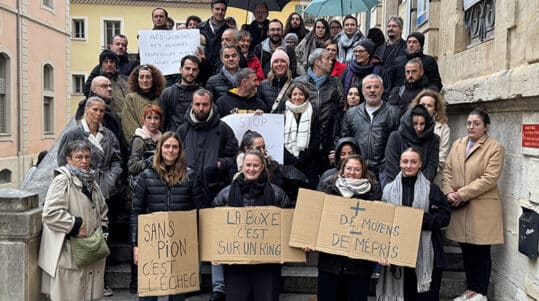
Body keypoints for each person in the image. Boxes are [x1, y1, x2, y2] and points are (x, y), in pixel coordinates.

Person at [131, 132, 204, 301]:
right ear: (160, 148)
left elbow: (199, 210)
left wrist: (198, 242)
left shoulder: (190, 175)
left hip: (181, 243)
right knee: (149, 296)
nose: (171, 150)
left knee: (178, 295)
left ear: (180, 150)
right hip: (152, 241)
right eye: (167, 146)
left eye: (175, 147)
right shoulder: (147, 175)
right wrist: (136, 244)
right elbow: (136, 212)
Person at [442, 108, 505, 301]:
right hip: (460, 207)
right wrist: (449, 192)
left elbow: (489, 178)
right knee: (467, 251)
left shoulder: (494, 148)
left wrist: (462, 193)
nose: (471, 127)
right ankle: (470, 291)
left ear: (486, 126)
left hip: (481, 208)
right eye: (469, 123)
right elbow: (447, 172)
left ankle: (481, 292)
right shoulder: (458, 144)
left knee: (481, 252)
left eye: (476, 123)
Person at [212, 149, 290, 301]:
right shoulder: (225, 194)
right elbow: (213, 225)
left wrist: (285, 252)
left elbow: (288, 226)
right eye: (248, 165)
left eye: (256, 165)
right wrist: (214, 252)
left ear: (262, 167)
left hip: (267, 265)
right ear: (242, 167)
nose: (251, 169)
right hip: (236, 265)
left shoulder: (277, 194)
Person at [39, 140, 109, 301]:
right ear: (69, 159)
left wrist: (103, 229)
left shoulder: (91, 181)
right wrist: (76, 225)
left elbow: (103, 210)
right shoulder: (62, 180)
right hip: (68, 251)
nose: (84, 161)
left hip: (90, 248)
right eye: (79, 157)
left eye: (87, 157)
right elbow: (50, 213)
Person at [377, 147, 450, 300]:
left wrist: (419, 219)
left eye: (413, 162)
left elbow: (445, 217)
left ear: (420, 164)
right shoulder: (388, 190)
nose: (408, 165)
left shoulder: (432, 189)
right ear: (400, 163)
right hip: (398, 255)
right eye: (405, 161)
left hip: (426, 254)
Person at [316, 154, 381, 301]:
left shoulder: (373, 194)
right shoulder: (329, 189)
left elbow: (377, 228)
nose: (352, 172)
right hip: (330, 265)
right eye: (349, 168)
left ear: (363, 172)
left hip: (359, 267)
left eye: (357, 169)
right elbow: (316, 219)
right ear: (342, 170)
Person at [177, 88, 239, 202]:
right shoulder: (183, 130)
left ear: (211, 105)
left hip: (215, 190)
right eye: (197, 104)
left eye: (205, 105)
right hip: (186, 190)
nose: (201, 108)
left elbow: (236, 157)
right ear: (192, 105)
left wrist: (222, 163)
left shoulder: (223, 129)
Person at [59, 97, 122, 201]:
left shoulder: (110, 135)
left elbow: (117, 160)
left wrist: (111, 178)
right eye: (95, 109)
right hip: (80, 187)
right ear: (86, 110)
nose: (98, 113)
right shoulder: (72, 135)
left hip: (107, 188)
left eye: (101, 111)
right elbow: (62, 162)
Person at [341, 74, 400, 181]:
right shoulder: (351, 113)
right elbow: (345, 141)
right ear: (363, 91)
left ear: (382, 89)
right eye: (368, 87)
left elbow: (397, 144)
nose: (372, 90)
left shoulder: (394, 113)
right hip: (357, 170)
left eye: (376, 87)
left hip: (383, 172)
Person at [293, 48, 344, 172]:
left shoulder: (335, 83)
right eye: (327, 59)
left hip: (328, 142)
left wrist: (336, 143)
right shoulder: (299, 82)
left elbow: (340, 112)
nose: (331, 62)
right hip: (304, 142)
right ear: (317, 62)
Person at [277, 82, 321, 191]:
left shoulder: (313, 114)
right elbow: (276, 138)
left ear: (305, 96)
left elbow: (316, 139)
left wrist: (303, 157)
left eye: (301, 94)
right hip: (286, 160)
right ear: (290, 96)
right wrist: (290, 158)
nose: (297, 97)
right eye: (294, 94)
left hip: (307, 160)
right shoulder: (281, 112)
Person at [385, 104, 440, 184]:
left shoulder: (433, 139)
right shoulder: (396, 137)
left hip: (423, 185)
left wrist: (419, 184)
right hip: (397, 184)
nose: (419, 128)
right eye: (415, 124)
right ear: (409, 123)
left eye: (422, 124)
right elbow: (391, 165)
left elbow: (432, 166)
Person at [410, 90, 450, 186]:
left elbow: (442, 156)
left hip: (431, 177)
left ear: (435, 109)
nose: (425, 108)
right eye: (423, 104)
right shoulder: (408, 123)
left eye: (429, 105)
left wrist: (427, 175)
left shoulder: (443, 128)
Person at [122, 64, 165, 142]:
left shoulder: (161, 98)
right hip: (140, 144)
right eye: (141, 77)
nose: (145, 80)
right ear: (137, 80)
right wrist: (142, 140)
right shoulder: (131, 98)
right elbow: (128, 124)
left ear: (154, 79)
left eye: (148, 77)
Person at [159, 55, 201, 132]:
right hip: (173, 139)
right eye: (187, 68)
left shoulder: (203, 95)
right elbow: (161, 121)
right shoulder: (168, 93)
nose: (190, 72)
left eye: (194, 69)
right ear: (181, 69)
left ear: (198, 72)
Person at [82, 50, 128, 115]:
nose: (109, 65)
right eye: (106, 62)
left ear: (116, 64)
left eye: (112, 62)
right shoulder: (97, 81)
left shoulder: (125, 80)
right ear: (101, 65)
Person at [127, 105, 162, 177]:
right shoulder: (139, 140)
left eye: (156, 118)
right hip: (145, 181)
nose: (152, 122)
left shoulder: (163, 139)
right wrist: (150, 161)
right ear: (144, 120)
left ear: (160, 121)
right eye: (149, 118)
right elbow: (132, 166)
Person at [374, 16, 407, 89]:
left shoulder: (406, 48)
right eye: (389, 26)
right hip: (381, 87)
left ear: (401, 29)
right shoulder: (379, 49)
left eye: (394, 26)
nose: (390, 28)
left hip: (398, 87)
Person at [199, 0, 229, 74]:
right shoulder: (199, 28)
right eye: (217, 9)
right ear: (212, 10)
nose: (220, 12)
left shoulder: (229, 30)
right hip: (202, 71)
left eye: (223, 10)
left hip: (220, 71)